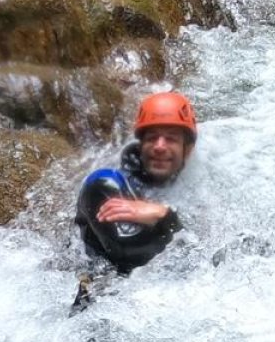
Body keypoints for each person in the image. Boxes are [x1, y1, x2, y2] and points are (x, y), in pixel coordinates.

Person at [75, 90, 198, 279]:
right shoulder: (103, 183)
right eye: (151, 138)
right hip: (97, 300)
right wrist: (166, 217)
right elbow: (129, 253)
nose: (159, 146)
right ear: (140, 146)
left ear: (187, 150)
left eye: (171, 138)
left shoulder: (192, 188)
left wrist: (163, 215)